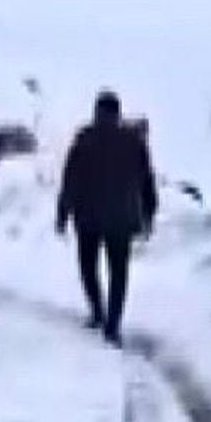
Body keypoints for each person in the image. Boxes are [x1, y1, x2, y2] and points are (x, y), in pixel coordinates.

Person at [56, 90, 158, 347]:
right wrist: (149, 213)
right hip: (121, 219)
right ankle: (112, 325)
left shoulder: (85, 138)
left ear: (97, 112)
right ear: (118, 113)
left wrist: (62, 213)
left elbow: (70, 180)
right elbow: (147, 181)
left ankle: (97, 312)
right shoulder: (134, 142)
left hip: (88, 217)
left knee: (88, 268)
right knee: (119, 273)